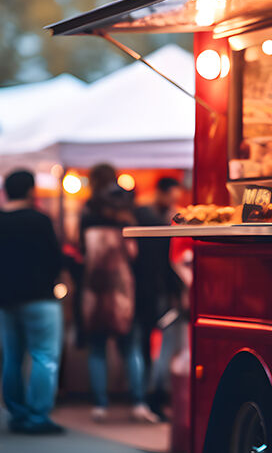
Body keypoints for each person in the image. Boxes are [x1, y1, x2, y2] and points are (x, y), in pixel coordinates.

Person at [80, 163, 157, 424]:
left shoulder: (87, 213)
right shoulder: (127, 212)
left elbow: (78, 250)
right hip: (123, 288)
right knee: (131, 347)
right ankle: (137, 402)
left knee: (97, 349)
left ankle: (100, 404)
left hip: (94, 287)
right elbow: (135, 253)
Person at [0, 169, 64, 434]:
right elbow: (54, 258)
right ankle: (38, 416)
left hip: (6, 298)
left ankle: (17, 412)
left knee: (12, 356)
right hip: (40, 297)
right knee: (44, 355)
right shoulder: (40, 220)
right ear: (30, 191)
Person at [133, 176, 187, 419]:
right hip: (154, 289)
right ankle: (150, 397)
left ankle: (149, 397)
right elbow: (166, 261)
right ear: (162, 192)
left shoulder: (149, 215)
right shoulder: (152, 218)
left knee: (151, 344)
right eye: (171, 195)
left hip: (151, 289)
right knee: (156, 345)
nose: (173, 201)